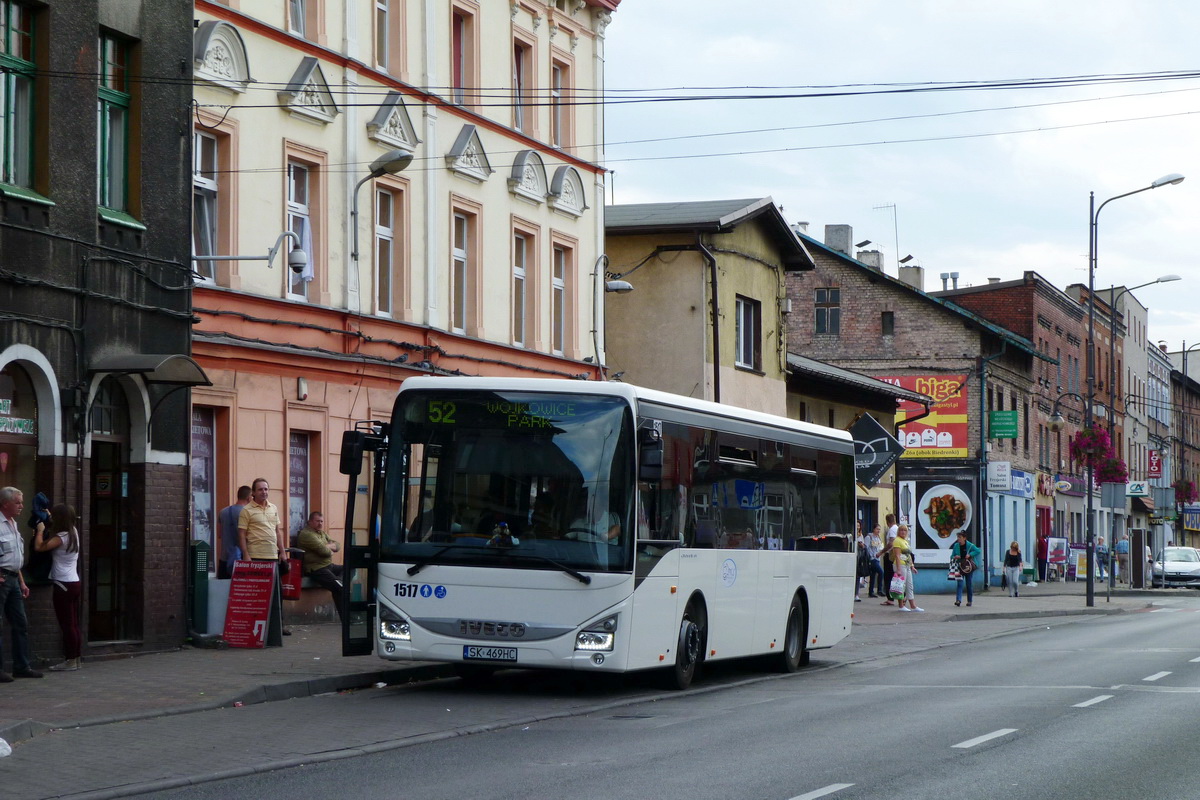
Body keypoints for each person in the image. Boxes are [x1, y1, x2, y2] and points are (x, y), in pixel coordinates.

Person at [238, 478, 291, 637]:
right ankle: (255, 629)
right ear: (253, 492)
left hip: (272, 557)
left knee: (277, 593)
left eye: (266, 489)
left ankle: (278, 627)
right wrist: (246, 554)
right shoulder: (246, 510)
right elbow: (241, 534)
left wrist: (282, 553)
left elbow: (277, 532)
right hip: (256, 557)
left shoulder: (273, 508)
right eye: (260, 489)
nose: (264, 492)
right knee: (257, 595)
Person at [33, 503, 82, 671]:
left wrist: (40, 530)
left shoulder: (62, 536)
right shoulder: (73, 532)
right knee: (74, 624)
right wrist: (48, 517)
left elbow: (39, 547)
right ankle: (76, 659)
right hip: (74, 582)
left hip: (62, 584)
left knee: (66, 625)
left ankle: (69, 660)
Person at [0, 486, 42, 680]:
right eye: (17, 502)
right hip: (1, 579)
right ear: (5, 503)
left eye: (21, 502)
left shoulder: (13, 523)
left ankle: (22, 666)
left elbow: (15, 557)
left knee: (20, 623)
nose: (21, 506)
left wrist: (23, 582)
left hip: (14, 579)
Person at [297, 511, 343, 620]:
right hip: (316, 568)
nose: (320, 524)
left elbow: (338, 545)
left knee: (350, 568)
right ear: (310, 522)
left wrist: (328, 546)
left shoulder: (321, 533)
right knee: (340, 589)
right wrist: (329, 548)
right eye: (317, 521)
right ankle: (345, 618)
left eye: (322, 521)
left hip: (328, 566)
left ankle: (338, 581)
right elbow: (325, 552)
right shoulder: (306, 534)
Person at [218, 485, 251, 579]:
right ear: (249, 498)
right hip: (242, 558)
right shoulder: (247, 513)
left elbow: (219, 534)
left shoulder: (223, 512)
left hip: (224, 559)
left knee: (223, 592)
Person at [891, 524, 923, 612]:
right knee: (901, 585)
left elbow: (908, 555)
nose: (903, 532)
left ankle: (913, 605)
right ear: (898, 531)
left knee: (910, 585)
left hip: (907, 565)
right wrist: (898, 569)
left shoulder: (905, 541)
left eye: (905, 530)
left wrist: (912, 566)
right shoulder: (897, 540)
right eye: (901, 530)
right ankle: (901, 605)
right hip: (900, 564)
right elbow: (897, 555)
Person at [949, 531, 981, 608]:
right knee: (959, 583)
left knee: (968, 583)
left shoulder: (970, 545)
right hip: (960, 566)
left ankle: (969, 601)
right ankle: (958, 600)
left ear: (964, 538)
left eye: (960, 537)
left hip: (968, 567)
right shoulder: (956, 546)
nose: (958, 539)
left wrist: (970, 554)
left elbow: (978, 551)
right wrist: (955, 557)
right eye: (958, 537)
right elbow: (952, 556)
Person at [880, 513, 898, 606]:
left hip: (890, 555)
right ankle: (900, 596)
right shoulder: (897, 528)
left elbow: (891, 543)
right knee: (896, 576)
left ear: (887, 522)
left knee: (888, 577)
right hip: (896, 555)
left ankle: (890, 598)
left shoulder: (891, 530)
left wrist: (881, 552)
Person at [865, 524, 885, 598]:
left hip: (877, 558)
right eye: (877, 529)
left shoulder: (878, 538)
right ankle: (879, 590)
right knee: (881, 572)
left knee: (873, 575)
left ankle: (871, 592)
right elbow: (866, 548)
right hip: (872, 559)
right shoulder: (869, 537)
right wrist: (870, 556)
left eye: (879, 529)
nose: (878, 531)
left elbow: (881, 547)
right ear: (873, 529)